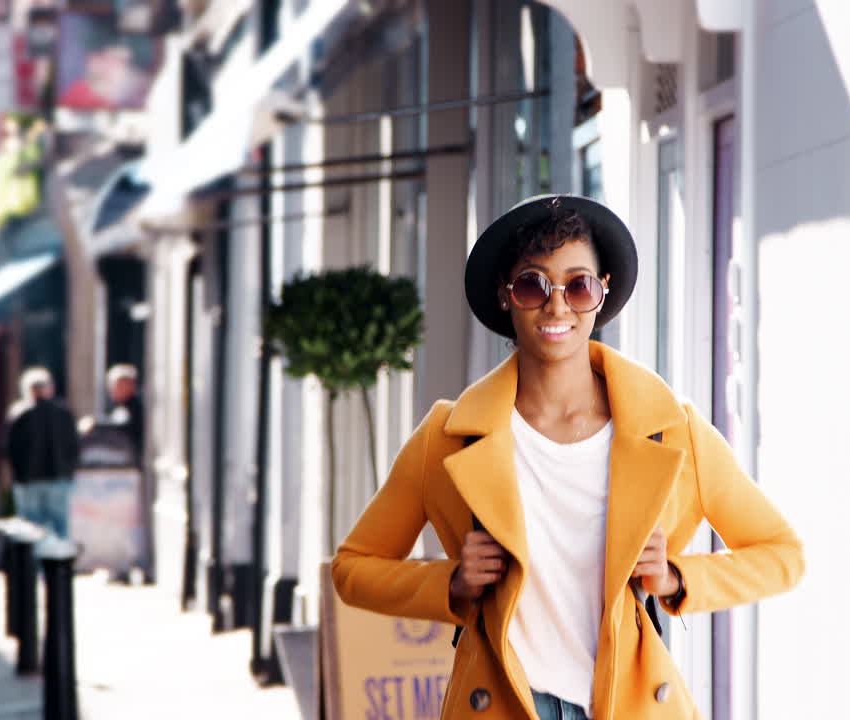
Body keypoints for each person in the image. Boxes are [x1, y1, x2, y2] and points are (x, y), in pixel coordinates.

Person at [332, 195, 805, 719]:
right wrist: (452, 583)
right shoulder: (447, 436)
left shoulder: (673, 430)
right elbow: (353, 569)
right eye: (534, 285)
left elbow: (782, 556)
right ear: (506, 296)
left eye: (578, 286)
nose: (557, 306)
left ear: (601, 295)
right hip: (504, 704)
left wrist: (676, 578)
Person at [5, 367, 81, 539]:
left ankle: (39, 564)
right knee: (57, 525)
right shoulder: (62, 412)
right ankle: (59, 563)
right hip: (55, 477)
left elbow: (10, 450)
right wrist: (69, 471)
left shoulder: (19, 414)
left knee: (32, 527)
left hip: (31, 480)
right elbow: (74, 446)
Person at [105, 364, 144, 465]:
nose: (113, 390)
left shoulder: (137, 408)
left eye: (118, 385)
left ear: (131, 386)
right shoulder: (115, 406)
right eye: (111, 385)